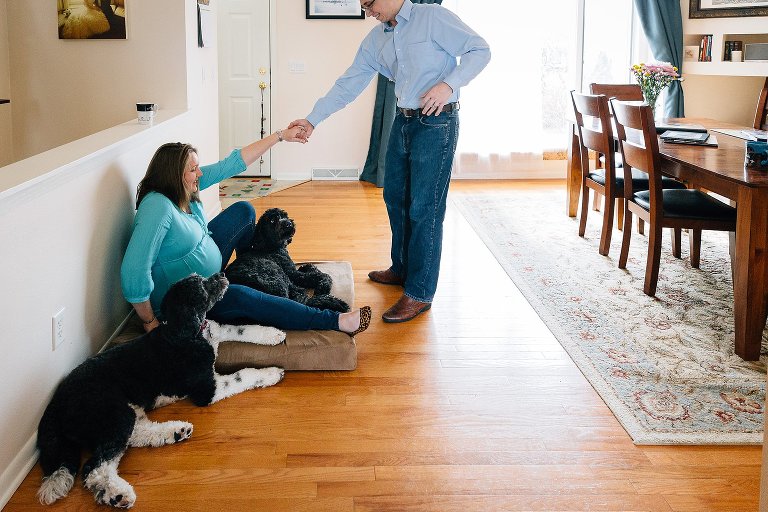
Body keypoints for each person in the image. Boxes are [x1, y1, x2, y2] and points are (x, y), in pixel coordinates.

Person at [289, 0, 490, 323]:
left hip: (437, 123)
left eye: (369, 4)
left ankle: (420, 292)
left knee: (425, 208)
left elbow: (480, 50)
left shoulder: (432, 17)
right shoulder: (377, 38)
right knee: (395, 197)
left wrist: (448, 85)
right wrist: (313, 119)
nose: (368, 12)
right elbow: (349, 83)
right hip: (403, 121)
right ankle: (401, 268)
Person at [120, 128, 371, 336]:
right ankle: (335, 321)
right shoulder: (157, 207)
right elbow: (133, 271)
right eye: (193, 169)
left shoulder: (182, 189)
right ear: (174, 175)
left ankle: (252, 270)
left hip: (210, 270)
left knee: (244, 211)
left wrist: (280, 136)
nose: (200, 173)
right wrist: (150, 322)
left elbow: (232, 164)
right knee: (242, 297)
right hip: (191, 299)